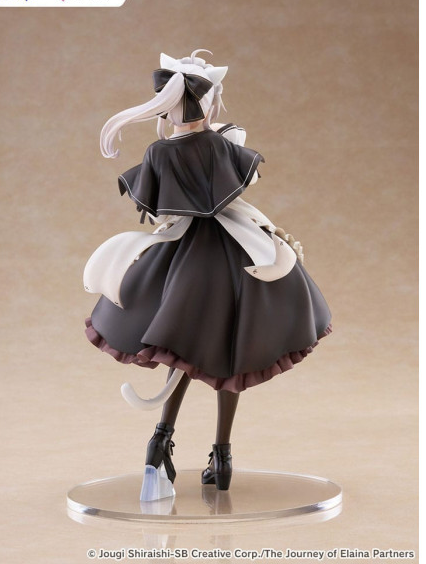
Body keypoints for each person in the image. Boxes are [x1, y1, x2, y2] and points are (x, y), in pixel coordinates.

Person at [84, 49, 332, 501]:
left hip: (180, 258)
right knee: (232, 355)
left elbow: (154, 209)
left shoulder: (158, 151)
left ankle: (159, 441)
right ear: (207, 102)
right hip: (231, 256)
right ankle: (223, 455)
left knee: (182, 350)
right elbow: (236, 189)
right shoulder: (218, 145)